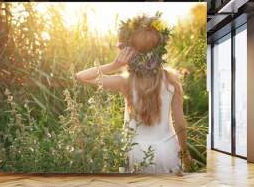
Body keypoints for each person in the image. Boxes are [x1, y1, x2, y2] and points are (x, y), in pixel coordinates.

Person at [75, 14, 192, 175]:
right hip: (168, 151)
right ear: (160, 49)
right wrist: (185, 155)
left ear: (129, 51)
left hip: (136, 154)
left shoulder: (125, 81)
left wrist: (114, 65)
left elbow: (82, 76)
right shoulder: (172, 80)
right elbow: (180, 124)